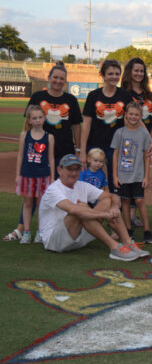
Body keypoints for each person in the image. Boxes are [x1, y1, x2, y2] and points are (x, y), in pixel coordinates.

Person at [4, 64, 82, 242]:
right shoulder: (38, 97)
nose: (58, 81)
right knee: (32, 192)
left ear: (65, 81)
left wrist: (78, 150)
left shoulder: (71, 100)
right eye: (55, 77)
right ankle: (21, 228)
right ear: (49, 77)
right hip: (39, 155)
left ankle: (56, 228)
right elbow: (28, 123)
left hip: (64, 152)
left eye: (62, 78)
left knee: (61, 192)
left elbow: (77, 126)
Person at [38, 154, 149, 261]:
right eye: (69, 169)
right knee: (81, 207)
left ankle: (128, 243)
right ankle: (114, 247)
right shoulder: (53, 189)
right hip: (55, 242)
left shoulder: (82, 186)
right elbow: (73, 210)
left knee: (107, 201)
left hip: (78, 238)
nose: (73, 173)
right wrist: (105, 215)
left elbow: (113, 196)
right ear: (59, 170)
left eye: (76, 169)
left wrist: (114, 207)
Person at [80, 60, 131, 193]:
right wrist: (83, 151)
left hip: (116, 147)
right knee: (94, 183)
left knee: (115, 183)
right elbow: (86, 124)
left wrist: (147, 137)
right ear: (102, 75)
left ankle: (114, 211)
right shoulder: (93, 96)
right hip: (95, 146)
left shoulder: (125, 96)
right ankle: (93, 211)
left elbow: (133, 119)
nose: (114, 77)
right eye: (110, 73)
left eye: (117, 73)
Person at [121, 57, 152, 228]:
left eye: (141, 71)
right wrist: (147, 137)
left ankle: (133, 215)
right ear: (129, 72)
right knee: (129, 175)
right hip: (131, 142)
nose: (138, 74)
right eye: (135, 70)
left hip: (146, 141)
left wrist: (150, 137)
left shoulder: (149, 95)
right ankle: (126, 216)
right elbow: (132, 117)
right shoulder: (124, 94)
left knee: (139, 177)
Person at [111, 101, 152, 244]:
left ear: (141, 116)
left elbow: (147, 156)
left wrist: (147, 176)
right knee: (125, 202)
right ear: (126, 115)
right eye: (131, 114)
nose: (134, 117)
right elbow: (116, 154)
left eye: (137, 115)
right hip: (123, 175)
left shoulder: (144, 134)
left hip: (138, 174)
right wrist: (115, 175)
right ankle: (129, 230)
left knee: (140, 201)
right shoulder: (120, 132)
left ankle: (147, 230)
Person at [13, 105, 55, 244]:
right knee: (28, 204)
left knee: (41, 204)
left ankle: (40, 231)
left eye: (40, 117)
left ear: (44, 118)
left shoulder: (49, 137)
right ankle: (26, 232)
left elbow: (51, 159)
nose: (37, 120)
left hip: (43, 176)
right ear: (29, 120)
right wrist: (18, 174)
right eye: (34, 118)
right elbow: (20, 155)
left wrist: (53, 177)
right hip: (27, 175)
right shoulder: (24, 135)